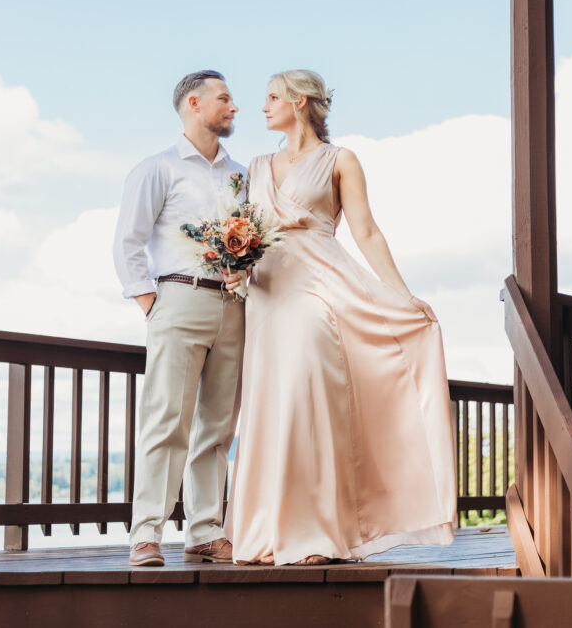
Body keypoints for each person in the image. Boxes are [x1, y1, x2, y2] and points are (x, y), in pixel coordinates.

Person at [224, 70, 456, 566]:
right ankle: (267, 531)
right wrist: (233, 267)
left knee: (307, 397)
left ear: (301, 101)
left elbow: (366, 231)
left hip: (319, 288)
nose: (263, 106)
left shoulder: (340, 160)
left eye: (272, 97)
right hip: (266, 294)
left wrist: (403, 296)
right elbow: (242, 231)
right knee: (271, 402)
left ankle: (316, 533)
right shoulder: (257, 166)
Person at [113, 70, 246, 566]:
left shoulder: (242, 176)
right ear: (194, 103)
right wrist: (152, 303)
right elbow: (128, 243)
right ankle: (146, 534)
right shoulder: (157, 169)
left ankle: (206, 531)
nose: (234, 107)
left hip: (234, 307)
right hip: (177, 299)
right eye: (224, 98)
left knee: (219, 426)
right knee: (167, 419)